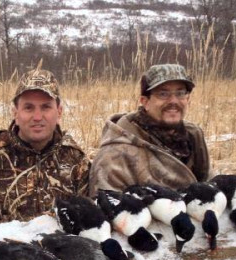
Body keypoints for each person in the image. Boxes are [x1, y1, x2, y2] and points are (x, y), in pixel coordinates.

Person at [0, 69, 90, 251]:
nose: (37, 117)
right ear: (15, 112)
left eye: (46, 107)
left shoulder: (75, 159)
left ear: (59, 111)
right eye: (28, 107)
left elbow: (88, 223)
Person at [89, 63, 210, 195]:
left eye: (180, 93)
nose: (173, 101)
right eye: (163, 94)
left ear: (188, 99)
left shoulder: (193, 136)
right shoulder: (115, 154)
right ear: (144, 101)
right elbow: (105, 208)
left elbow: (208, 183)